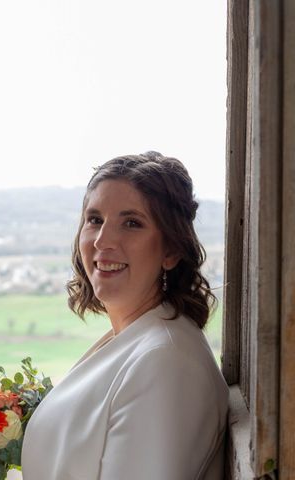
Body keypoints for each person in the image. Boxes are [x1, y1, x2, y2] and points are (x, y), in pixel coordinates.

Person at [22, 152, 229, 479]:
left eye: (131, 223)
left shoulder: (165, 362)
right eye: (95, 220)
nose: (104, 240)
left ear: (171, 250)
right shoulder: (139, 338)